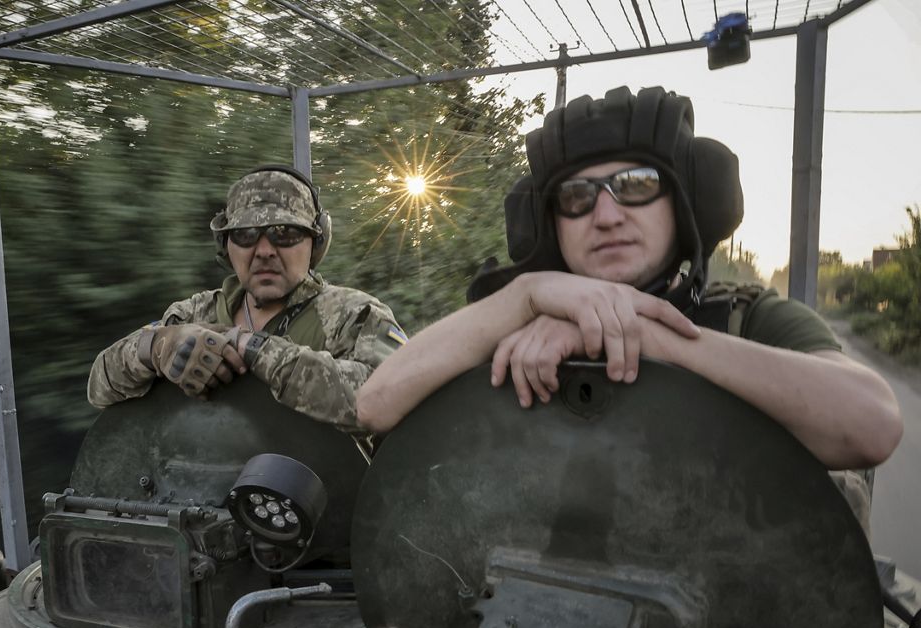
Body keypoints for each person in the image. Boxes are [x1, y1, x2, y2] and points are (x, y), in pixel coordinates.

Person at [356, 87, 902, 482]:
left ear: (682, 206)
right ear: (553, 225)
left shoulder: (746, 320)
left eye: (636, 185)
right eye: (576, 197)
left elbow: (872, 425)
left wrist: (650, 334)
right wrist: (522, 297)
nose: (607, 215)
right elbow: (375, 404)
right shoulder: (519, 323)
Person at [88, 165, 406, 435]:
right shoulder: (194, 314)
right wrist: (156, 347)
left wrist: (250, 347)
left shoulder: (356, 316)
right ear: (226, 246)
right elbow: (100, 388)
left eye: (284, 233)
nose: (264, 250)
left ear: (315, 242)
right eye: (245, 235)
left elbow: (390, 398)